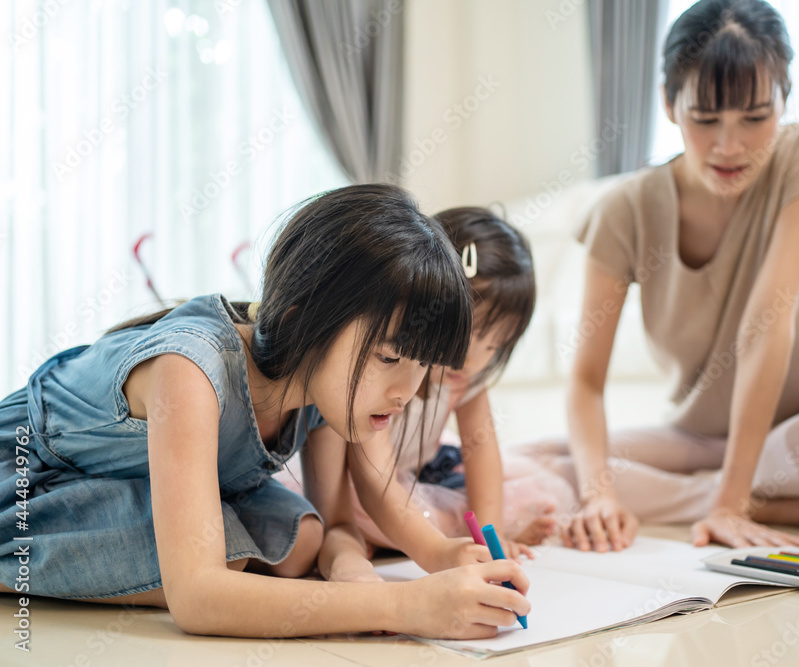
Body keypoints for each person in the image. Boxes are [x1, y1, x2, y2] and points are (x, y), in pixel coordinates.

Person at [0, 184, 530, 639]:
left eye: (422, 363)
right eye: (389, 356)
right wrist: (402, 604)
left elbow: (340, 519)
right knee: (224, 561)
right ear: (305, 322)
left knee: (305, 539)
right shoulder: (190, 368)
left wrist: (373, 567)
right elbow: (196, 599)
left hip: (119, 478)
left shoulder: (328, 393)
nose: (406, 389)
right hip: (26, 474)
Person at [512, 0, 799, 551]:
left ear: (785, 97)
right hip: (696, 439)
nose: (731, 146)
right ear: (669, 104)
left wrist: (730, 503)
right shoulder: (624, 211)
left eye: (755, 117)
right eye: (705, 119)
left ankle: (732, 493)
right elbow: (586, 382)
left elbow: (766, 321)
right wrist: (602, 495)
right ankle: (786, 505)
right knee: (530, 462)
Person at [346, 207, 574, 558]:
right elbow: (376, 482)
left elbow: (482, 455)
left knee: (543, 491)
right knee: (373, 510)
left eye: (496, 344)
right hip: (366, 482)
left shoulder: (467, 378)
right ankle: (399, 535)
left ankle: (407, 536)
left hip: (422, 471)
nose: (475, 359)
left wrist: (492, 542)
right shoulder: (385, 368)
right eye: (472, 332)